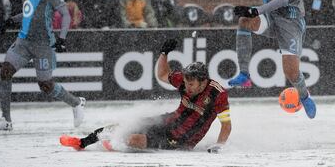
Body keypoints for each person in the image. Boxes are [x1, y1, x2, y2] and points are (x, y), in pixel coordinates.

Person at [60, 39, 231, 152]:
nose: (187, 87)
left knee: (134, 139)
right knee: (125, 125)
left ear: (203, 82)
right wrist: (164, 53)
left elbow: (226, 125)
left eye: (191, 85)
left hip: (182, 140)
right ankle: (82, 142)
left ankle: (113, 145)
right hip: (169, 121)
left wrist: (219, 145)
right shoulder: (185, 81)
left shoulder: (218, 94)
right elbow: (163, 74)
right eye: (185, 83)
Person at [0, 0, 86, 131]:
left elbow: (66, 15)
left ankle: (76, 102)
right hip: (23, 42)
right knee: (5, 72)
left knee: (46, 86)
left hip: (43, 45)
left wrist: (62, 38)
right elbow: (28, 13)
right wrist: (10, 21)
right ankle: (6, 119)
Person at [228, 0, 316, 119]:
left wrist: (256, 10)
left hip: (291, 19)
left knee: (291, 73)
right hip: (272, 16)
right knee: (244, 21)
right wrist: (253, 12)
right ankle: (244, 74)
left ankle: (305, 95)